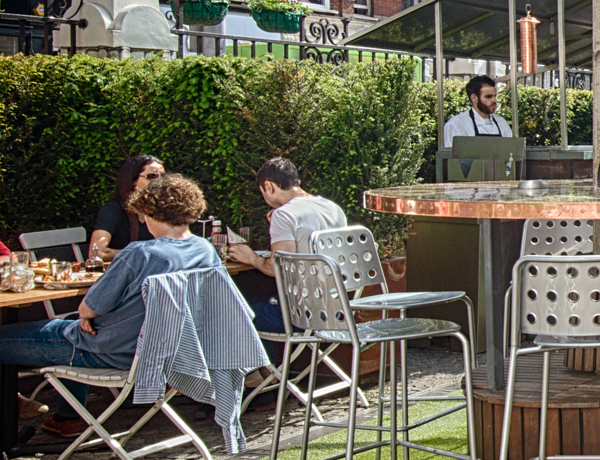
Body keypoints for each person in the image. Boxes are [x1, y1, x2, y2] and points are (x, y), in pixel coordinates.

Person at [0, 173, 223, 439]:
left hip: (112, 352)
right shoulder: (205, 250)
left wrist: (87, 315)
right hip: (171, 354)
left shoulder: (140, 253)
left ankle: (21, 421)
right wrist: (87, 315)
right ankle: (66, 418)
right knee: (72, 325)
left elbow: (88, 309)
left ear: (151, 212)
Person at [228, 158, 349, 332]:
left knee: (232, 312)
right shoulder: (332, 207)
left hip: (302, 314)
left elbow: (275, 268)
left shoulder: (284, 215)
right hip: (337, 310)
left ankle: (271, 353)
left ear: (269, 187)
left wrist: (251, 258)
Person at [89, 155, 164, 260]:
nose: (160, 182)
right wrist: (141, 252)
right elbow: (97, 253)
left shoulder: (164, 209)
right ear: (133, 180)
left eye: (163, 176)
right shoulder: (112, 211)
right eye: (152, 176)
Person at [442, 75, 509, 147]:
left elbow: (510, 150)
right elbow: (452, 153)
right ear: (474, 98)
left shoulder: (501, 123)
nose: (494, 100)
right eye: (488, 96)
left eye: (494, 96)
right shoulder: (456, 124)